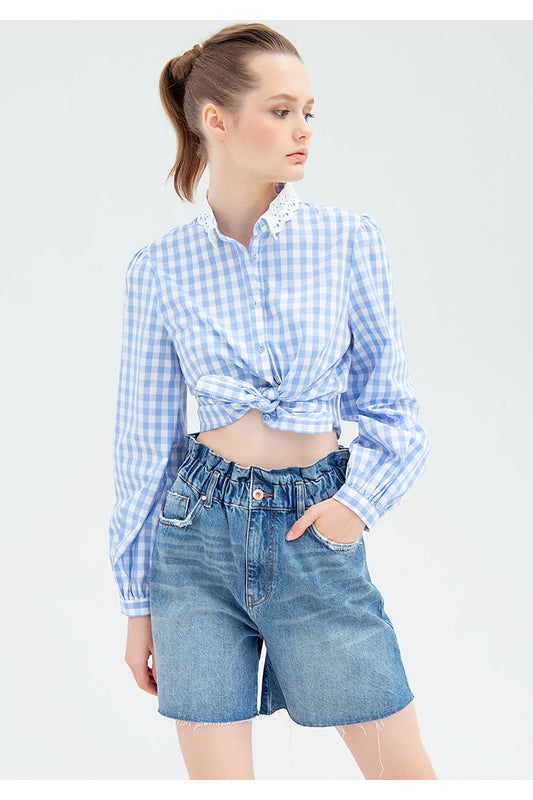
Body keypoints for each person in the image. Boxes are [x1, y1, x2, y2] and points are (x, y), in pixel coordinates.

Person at [108, 22, 437, 780]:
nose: (303, 130)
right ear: (216, 120)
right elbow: (143, 446)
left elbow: (394, 411)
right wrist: (136, 603)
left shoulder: (349, 240)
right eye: (281, 110)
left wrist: (354, 508)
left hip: (311, 530)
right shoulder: (158, 268)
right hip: (193, 543)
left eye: (308, 112)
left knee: (405, 778)